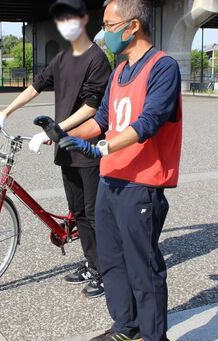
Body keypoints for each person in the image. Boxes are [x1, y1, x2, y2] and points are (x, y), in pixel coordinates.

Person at [57, 0, 182, 339]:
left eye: (110, 26)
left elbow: (149, 122)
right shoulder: (119, 71)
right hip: (110, 180)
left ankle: (154, 336)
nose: (104, 34)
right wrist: (61, 134)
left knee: (143, 268)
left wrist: (101, 147)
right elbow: (102, 121)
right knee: (112, 261)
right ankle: (125, 328)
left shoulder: (162, 66)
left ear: (133, 26)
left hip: (141, 184)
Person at [0, 0, 111, 298]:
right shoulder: (63, 58)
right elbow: (35, 86)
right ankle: (92, 263)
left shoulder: (97, 59)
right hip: (66, 149)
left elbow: (92, 107)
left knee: (93, 214)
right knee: (77, 211)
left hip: (88, 147)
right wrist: (4, 113)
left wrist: (57, 130)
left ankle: (104, 271)